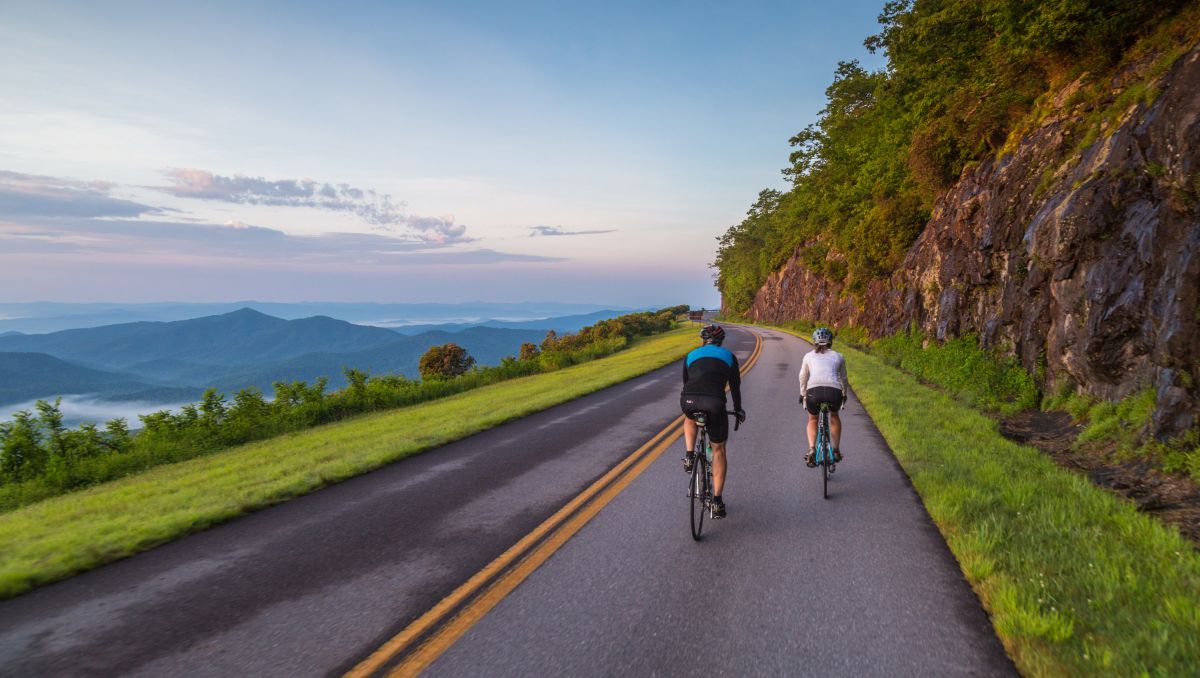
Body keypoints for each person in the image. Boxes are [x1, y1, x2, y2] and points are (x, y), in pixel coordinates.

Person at [680, 323, 745, 519]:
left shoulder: (690, 355)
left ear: (703, 340)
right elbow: (735, 388)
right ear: (721, 341)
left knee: (689, 417)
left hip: (688, 399)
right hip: (715, 404)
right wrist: (739, 409)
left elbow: (687, 382)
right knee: (718, 449)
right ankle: (716, 502)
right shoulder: (729, 357)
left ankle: (690, 455)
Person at [798, 327, 848, 467]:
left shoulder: (808, 356)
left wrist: (803, 394)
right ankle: (836, 450)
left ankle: (812, 449)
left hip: (814, 391)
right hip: (834, 391)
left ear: (815, 342)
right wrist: (844, 394)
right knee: (834, 416)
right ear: (830, 342)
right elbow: (844, 378)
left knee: (813, 418)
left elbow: (802, 376)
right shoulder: (838, 356)